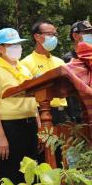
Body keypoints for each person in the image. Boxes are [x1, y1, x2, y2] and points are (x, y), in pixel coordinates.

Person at [0, 28, 39, 184]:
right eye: (11, 45)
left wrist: (39, 127)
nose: (17, 48)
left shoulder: (24, 69)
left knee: (31, 173)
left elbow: (33, 100)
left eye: (18, 44)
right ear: (0, 48)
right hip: (9, 128)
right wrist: (1, 138)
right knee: (11, 174)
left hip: (30, 124)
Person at [21, 20, 68, 166]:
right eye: (49, 34)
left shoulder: (60, 62)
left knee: (63, 156)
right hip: (43, 113)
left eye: (55, 34)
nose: (53, 37)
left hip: (62, 113)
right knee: (46, 156)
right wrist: (39, 123)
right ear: (37, 37)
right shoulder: (26, 63)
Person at [63, 20, 92, 124]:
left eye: (91, 33)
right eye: (86, 33)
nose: (90, 36)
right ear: (75, 36)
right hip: (79, 113)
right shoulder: (68, 59)